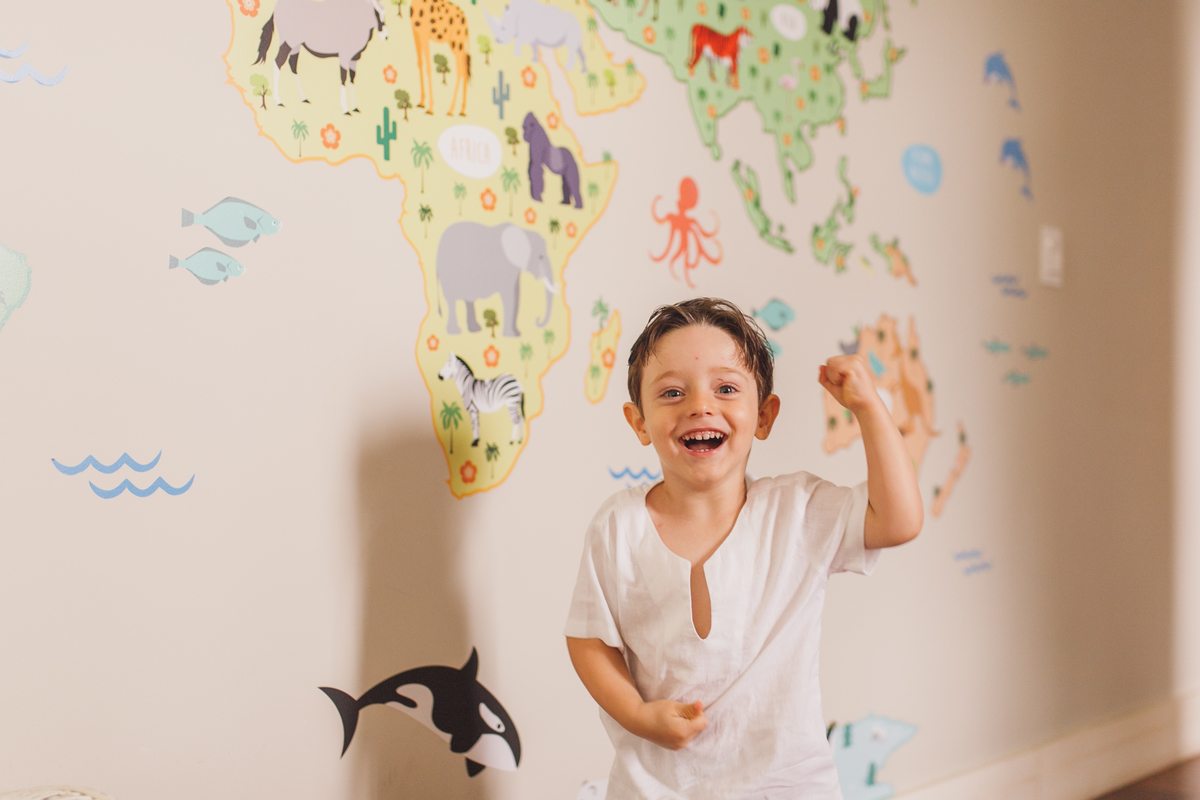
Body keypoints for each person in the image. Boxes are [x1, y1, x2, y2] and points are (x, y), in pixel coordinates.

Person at [564, 298, 923, 799]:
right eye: (671, 392)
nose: (699, 406)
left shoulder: (797, 512)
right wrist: (638, 715)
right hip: (657, 787)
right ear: (639, 421)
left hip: (785, 786)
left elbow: (899, 519)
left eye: (726, 388)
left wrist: (870, 409)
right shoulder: (617, 526)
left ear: (764, 415)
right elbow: (589, 639)